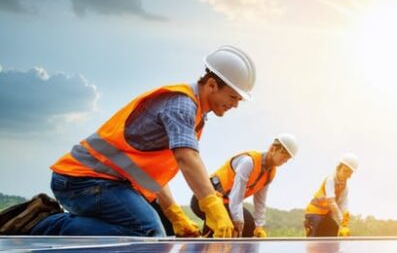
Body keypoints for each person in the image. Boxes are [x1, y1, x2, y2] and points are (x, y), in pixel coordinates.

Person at [28, 46, 257, 238]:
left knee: (147, 230)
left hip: (104, 182)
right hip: (81, 181)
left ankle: (75, 225)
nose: (235, 105)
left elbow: (150, 173)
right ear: (211, 85)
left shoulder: (195, 113)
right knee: (148, 231)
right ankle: (45, 225)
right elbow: (188, 158)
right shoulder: (182, 105)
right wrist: (213, 206)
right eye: (232, 97)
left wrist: (175, 214)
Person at [192, 134, 298, 237]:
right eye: (285, 155)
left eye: (288, 158)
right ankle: (206, 241)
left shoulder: (270, 173)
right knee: (233, 225)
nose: (286, 161)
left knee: (249, 225)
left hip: (227, 203)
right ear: (273, 149)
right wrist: (237, 219)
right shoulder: (248, 162)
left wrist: (258, 226)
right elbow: (236, 194)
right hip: (205, 199)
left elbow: (260, 201)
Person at [304, 154, 358, 237]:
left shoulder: (345, 187)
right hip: (313, 213)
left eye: (349, 173)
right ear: (338, 168)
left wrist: (344, 224)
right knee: (318, 225)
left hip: (325, 215)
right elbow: (331, 202)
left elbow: (343, 206)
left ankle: (329, 250)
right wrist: (341, 219)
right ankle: (312, 246)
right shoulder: (330, 180)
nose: (347, 174)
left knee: (334, 227)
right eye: (345, 171)